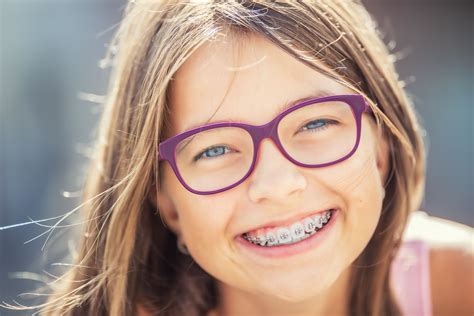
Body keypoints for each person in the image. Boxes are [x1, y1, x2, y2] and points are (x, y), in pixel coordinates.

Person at [7, 1, 473, 315]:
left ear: (381, 149)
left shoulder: (457, 284)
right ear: (166, 202)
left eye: (315, 124)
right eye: (214, 149)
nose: (275, 183)